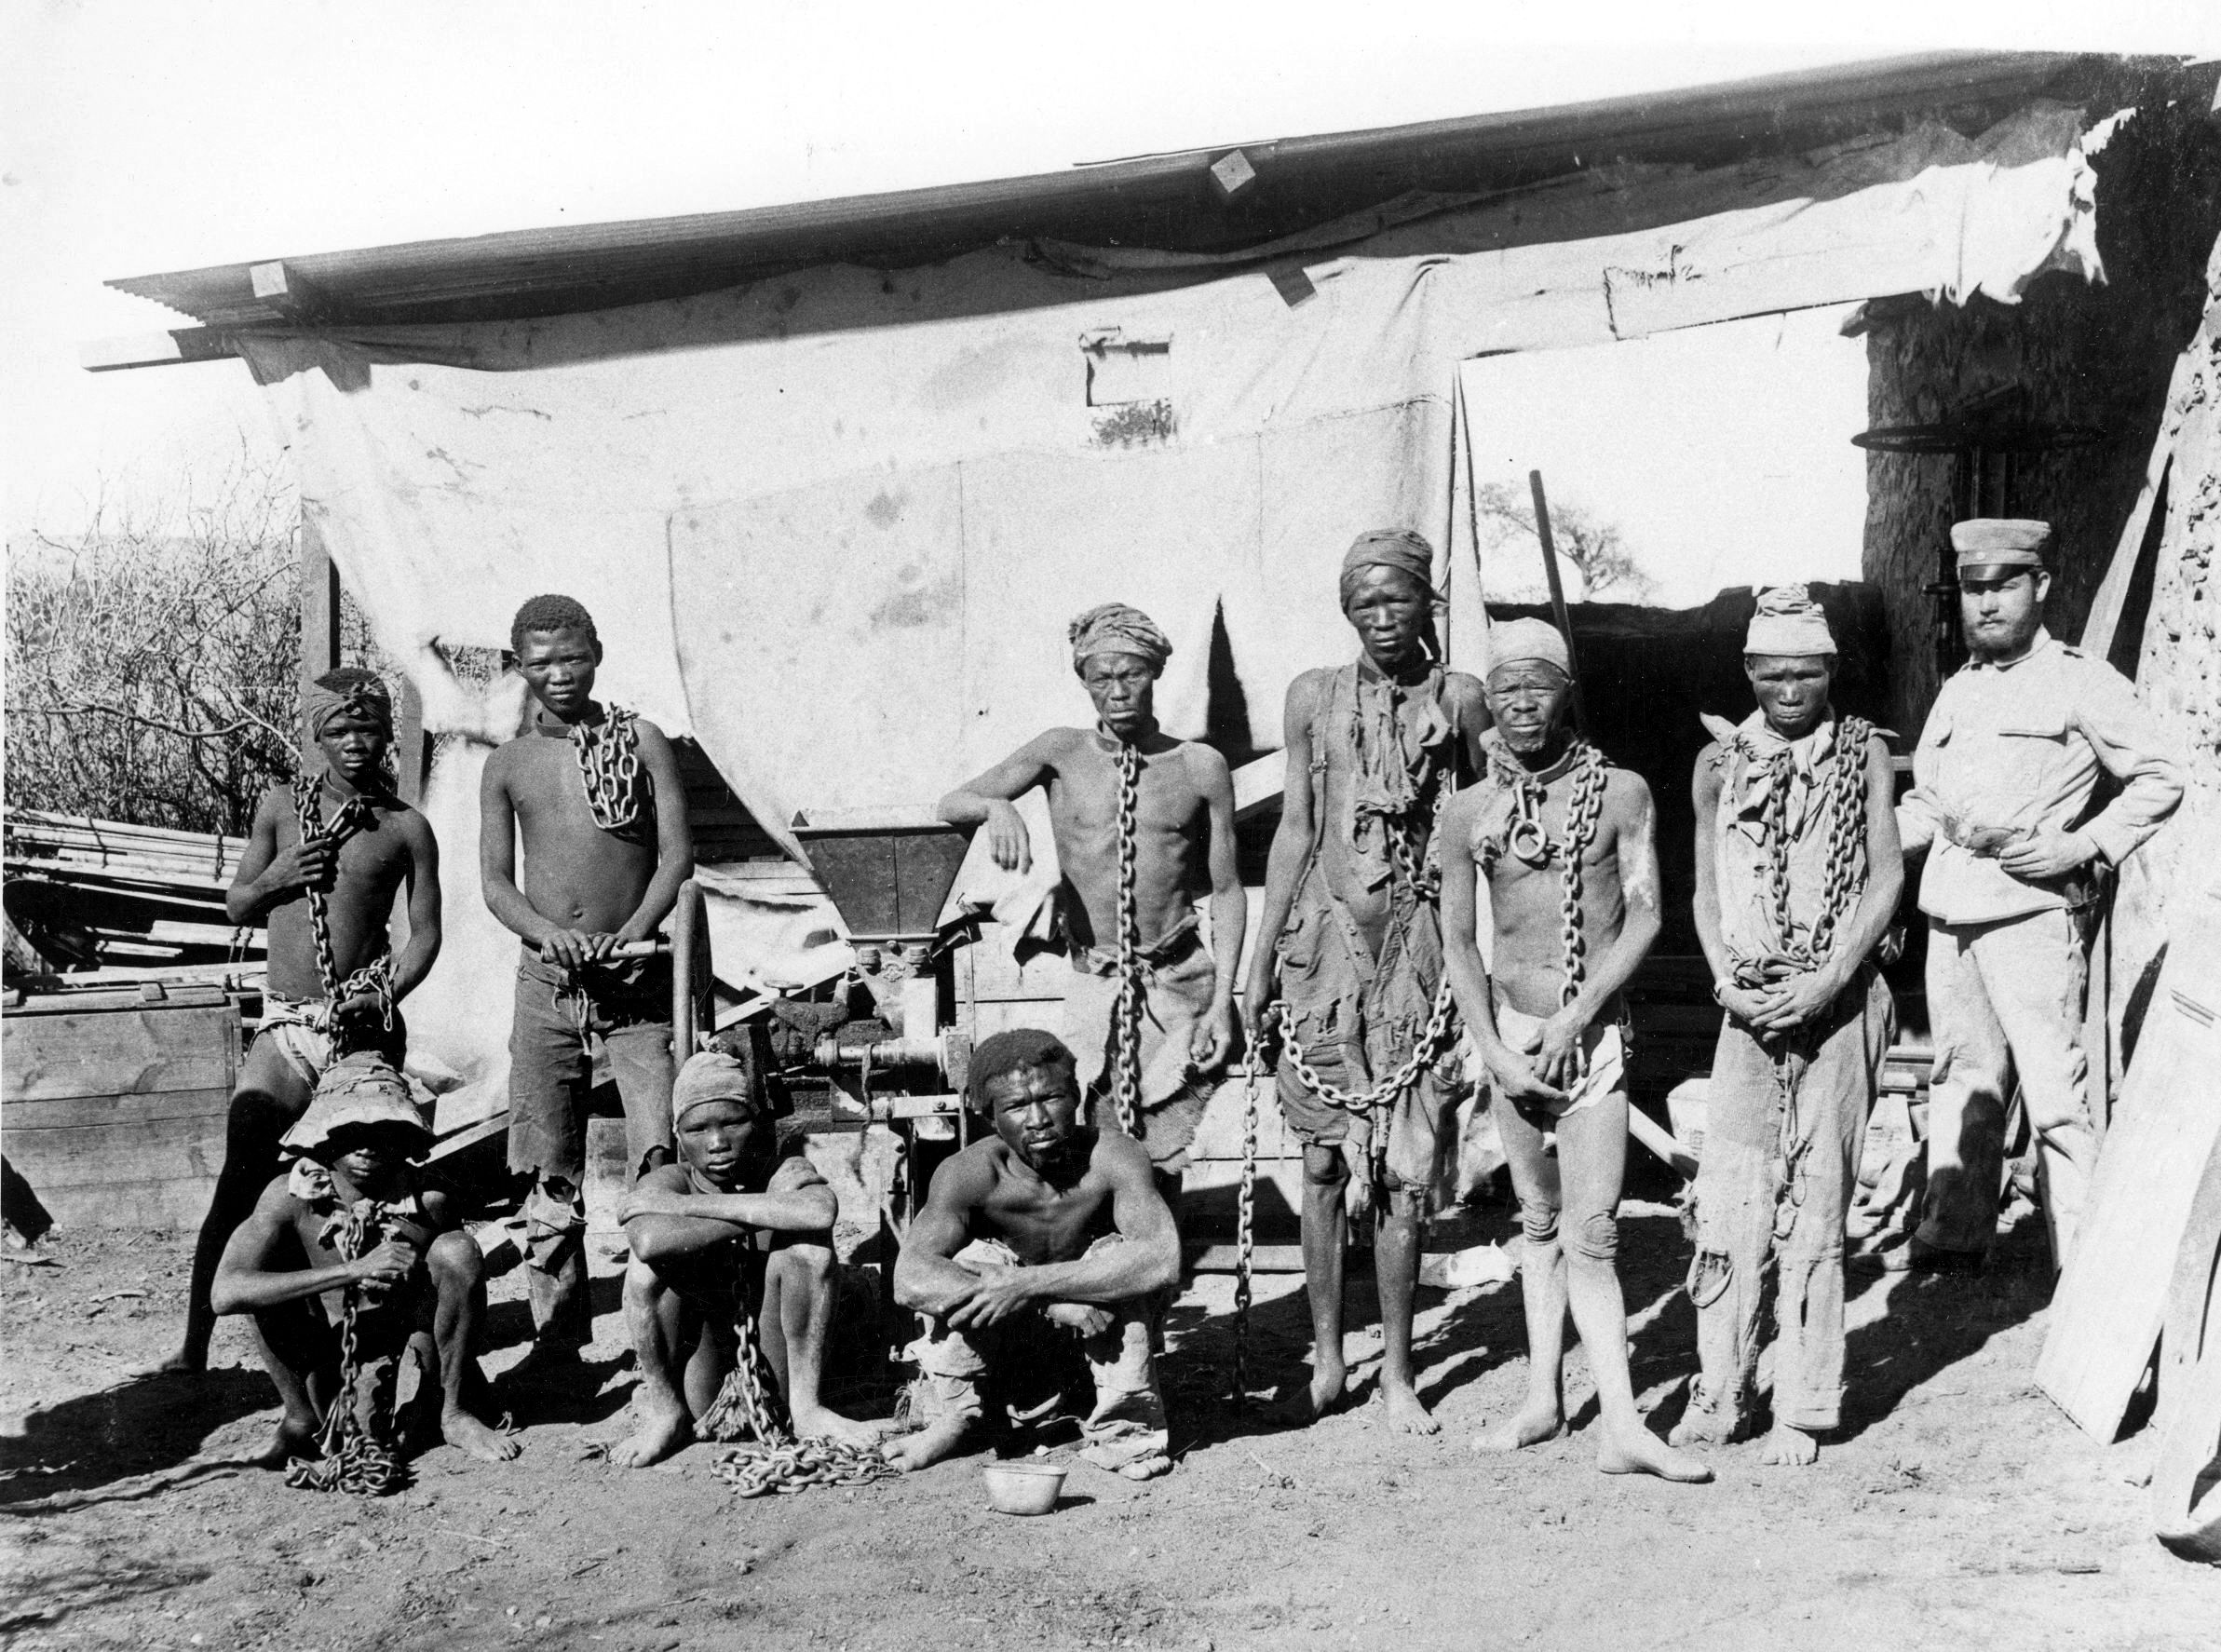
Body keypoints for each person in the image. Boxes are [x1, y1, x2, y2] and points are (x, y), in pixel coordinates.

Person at [1439, 618, 1710, 1483]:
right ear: (1489, 697)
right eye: (1506, 686)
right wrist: (1497, 1052)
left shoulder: (1620, 792)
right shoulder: (1467, 811)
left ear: (1566, 694)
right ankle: (1541, 1401)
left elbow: (1646, 915)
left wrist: (1573, 1018)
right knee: (1538, 1224)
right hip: (1511, 1039)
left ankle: (1623, 1425)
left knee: (1593, 1234)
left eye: (1539, 684)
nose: (1522, 702)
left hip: (1587, 1034)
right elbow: (1457, 943)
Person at [1242, 530, 1488, 1432]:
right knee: (1318, 1161)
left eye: (1399, 600)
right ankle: (1327, 1350)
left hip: (1416, 951)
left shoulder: (1461, 697)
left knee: (1403, 1173)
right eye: (1365, 604)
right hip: (1321, 948)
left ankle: (1398, 1371)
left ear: (1429, 600)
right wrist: (1258, 958)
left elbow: (1484, 824)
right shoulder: (1313, 696)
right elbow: (1295, 829)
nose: (1383, 619)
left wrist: (1471, 959)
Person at [1897, 521, 2183, 1270]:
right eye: (1973, 589)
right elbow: (1927, 803)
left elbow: (2160, 775)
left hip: (2028, 906)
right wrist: (1856, 845)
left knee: (2055, 1096)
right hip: (1950, 905)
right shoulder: (1959, 688)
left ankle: (2081, 1272)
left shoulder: (2078, 679)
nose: (1986, 604)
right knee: (1960, 1074)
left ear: (2040, 586)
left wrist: (2081, 844)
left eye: (2003, 586)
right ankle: (1951, 1239)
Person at [149, 669, 441, 1376]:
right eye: (337, 730)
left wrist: (386, 992)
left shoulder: (406, 827)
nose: (354, 743)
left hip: (362, 1032)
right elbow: (239, 904)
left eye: (366, 728)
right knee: (241, 1182)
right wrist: (281, 876)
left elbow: (426, 937)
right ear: (315, 737)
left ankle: (391, 1344)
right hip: (287, 1027)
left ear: (385, 735)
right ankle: (192, 1347)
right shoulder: (282, 807)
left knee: (372, 1187)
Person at [1671, 589, 1902, 1466]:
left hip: (1838, 1002)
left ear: (1830, 670)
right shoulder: (1716, 762)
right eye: (1770, 676)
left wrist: (1831, 977)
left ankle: (1801, 1406)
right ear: (1747, 675)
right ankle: (1718, 1390)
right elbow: (1702, 890)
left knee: (1816, 1201)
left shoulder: (1864, 754)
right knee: (1731, 1196)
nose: (1788, 691)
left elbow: (1882, 878)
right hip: (1749, 1005)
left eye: (1804, 673)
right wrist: (1726, 982)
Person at [938, 603, 1244, 1201]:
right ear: (1084, 680)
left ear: (1155, 674)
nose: (1117, 690)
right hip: (1095, 979)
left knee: (1164, 1144)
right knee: (1092, 1131)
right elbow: (954, 800)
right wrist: (998, 807)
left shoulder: (1200, 767)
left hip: (1179, 977)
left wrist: (1222, 1001)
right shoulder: (1060, 752)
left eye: (1131, 674)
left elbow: (1227, 890)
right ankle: (1110, 1266)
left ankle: (1160, 1269)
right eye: (1102, 677)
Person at [481, 594, 694, 1376]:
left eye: (571, 658)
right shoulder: (508, 763)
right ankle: (557, 1345)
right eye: (540, 663)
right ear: (519, 667)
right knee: (547, 1168)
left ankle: (669, 1338)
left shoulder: (639, 741)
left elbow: (675, 857)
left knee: (660, 1150)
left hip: (635, 978)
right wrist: (551, 934)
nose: (558, 675)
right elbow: (497, 884)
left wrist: (634, 933)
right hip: (548, 980)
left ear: (597, 652)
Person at [887, 1030, 1179, 1479]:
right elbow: (910, 1278)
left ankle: (1128, 1432)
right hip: (1008, 1346)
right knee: (974, 1260)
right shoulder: (969, 1173)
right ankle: (958, 1418)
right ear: (988, 1116)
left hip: (1099, 1337)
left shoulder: (1113, 1156)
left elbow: (1161, 1258)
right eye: (1017, 1107)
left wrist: (1026, 1284)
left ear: (1077, 1097)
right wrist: (1050, 1302)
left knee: (1117, 1253)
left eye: (1053, 1098)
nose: (1038, 1119)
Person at [211, 1053, 517, 1473]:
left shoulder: (430, 1199)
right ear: (323, 1137)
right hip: (325, 1347)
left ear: (405, 1139)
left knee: (458, 1251)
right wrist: (352, 1270)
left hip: (403, 1344)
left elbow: (454, 1296)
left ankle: (455, 1413)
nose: (367, 1146)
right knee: (263, 1286)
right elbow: (225, 1293)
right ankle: (300, 1418)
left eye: (383, 1131)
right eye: (351, 1132)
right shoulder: (289, 1196)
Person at [607, 1046, 885, 1468]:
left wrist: (689, 1209)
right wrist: (766, 1211)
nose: (718, 1143)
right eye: (699, 1129)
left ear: (755, 1123)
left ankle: (808, 1411)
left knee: (809, 1247)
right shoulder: (671, 1179)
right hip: (709, 1374)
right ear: (678, 1136)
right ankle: (667, 1413)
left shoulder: (783, 1170)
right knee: (644, 1269)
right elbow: (647, 1240)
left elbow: (819, 1211)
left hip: (778, 1366)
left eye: (733, 1123)